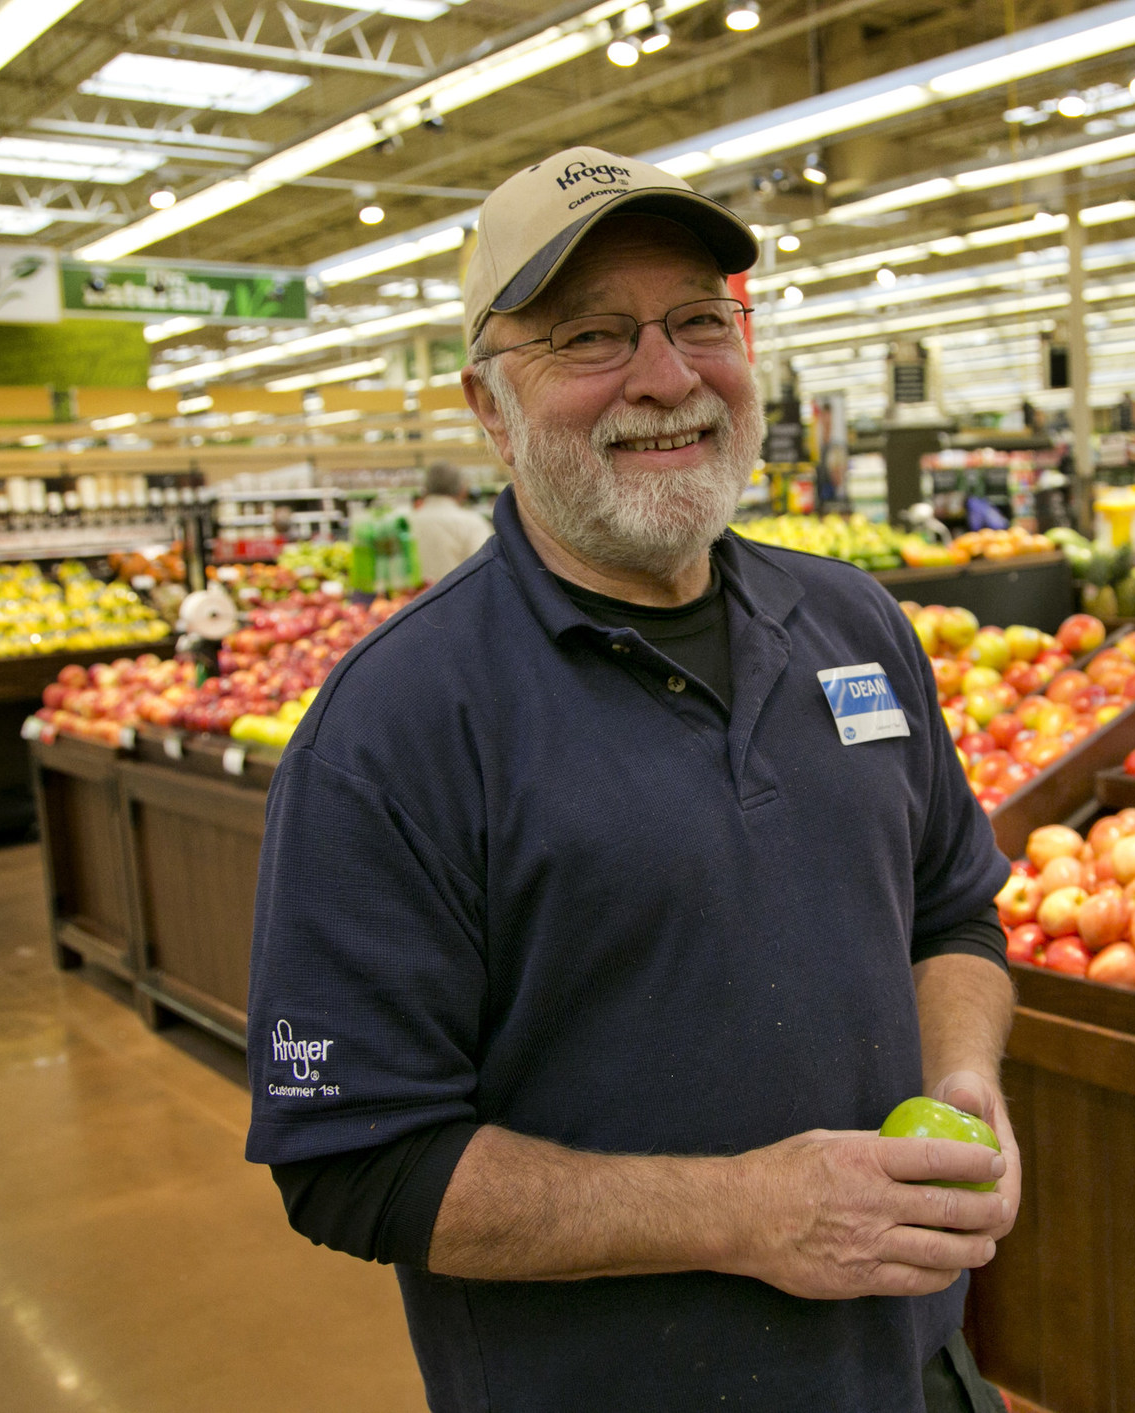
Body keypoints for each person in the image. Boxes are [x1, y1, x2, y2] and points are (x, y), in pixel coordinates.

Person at [244, 145, 1020, 1413]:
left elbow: (950, 911)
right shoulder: (394, 727)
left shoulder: (855, 625)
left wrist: (962, 1080)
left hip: (914, 1373)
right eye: (590, 337)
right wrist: (745, 1213)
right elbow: (354, 1162)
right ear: (489, 408)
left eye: (699, 321)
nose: (667, 378)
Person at [404, 460, 493, 582]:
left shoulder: (405, 522)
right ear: (462, 490)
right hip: (460, 598)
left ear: (424, 489)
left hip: (407, 599)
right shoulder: (472, 523)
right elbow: (485, 572)